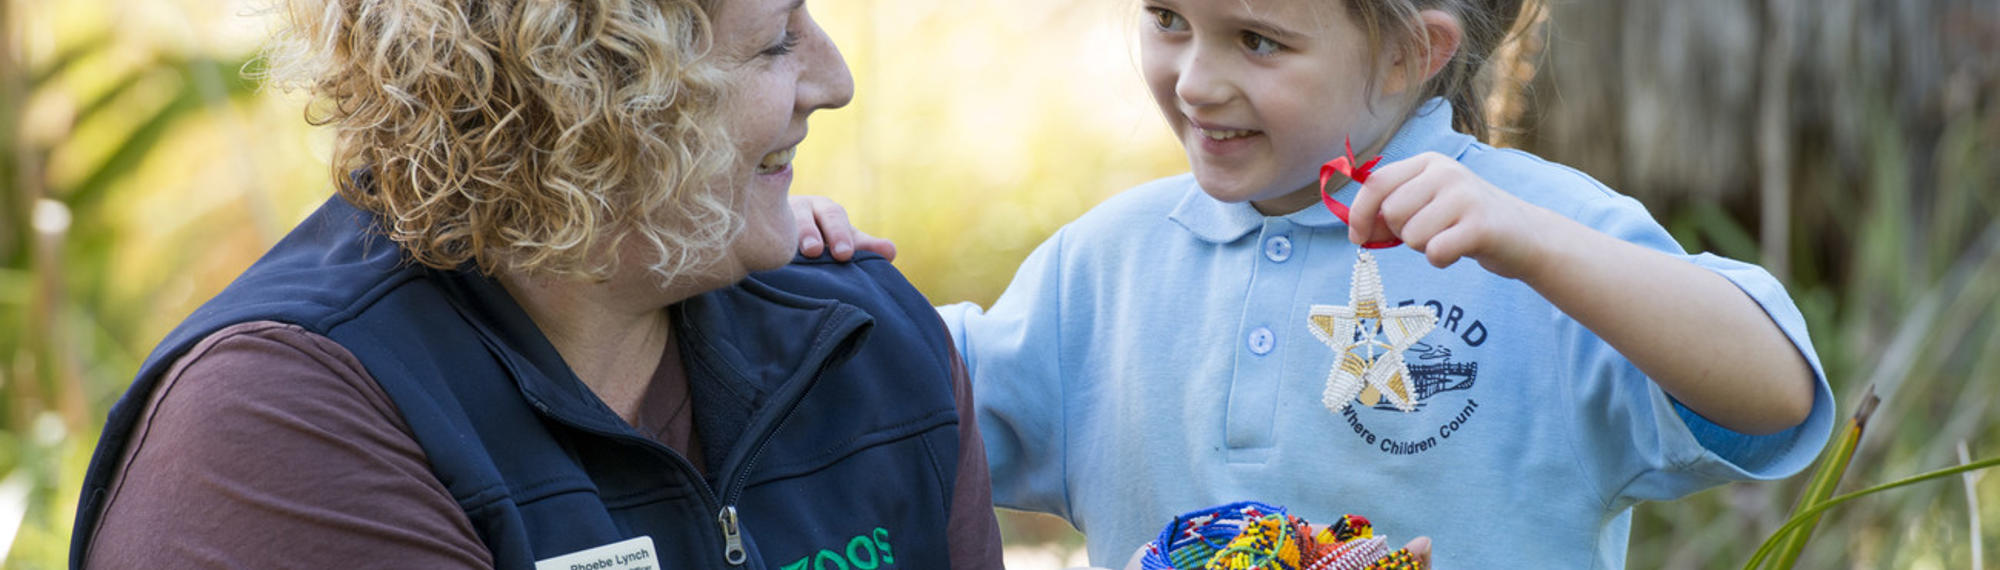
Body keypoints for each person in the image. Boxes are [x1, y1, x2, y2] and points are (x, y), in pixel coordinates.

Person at [795, 0, 1834, 567]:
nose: (1194, 81)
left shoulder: (1540, 240)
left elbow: (1773, 399)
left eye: (1256, 39)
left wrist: (1540, 250)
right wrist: (798, 269)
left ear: (1407, 53)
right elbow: (904, 414)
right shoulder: (1105, 263)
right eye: (1166, 18)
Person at [69, 0, 1004, 567]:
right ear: (581, 88)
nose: (833, 82)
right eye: (774, 43)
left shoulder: (866, 346)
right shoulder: (277, 425)